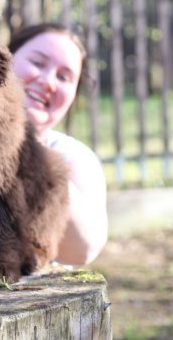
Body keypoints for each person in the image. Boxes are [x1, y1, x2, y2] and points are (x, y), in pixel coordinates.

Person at [9, 23, 108, 266]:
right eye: (38, 63)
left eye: (64, 77)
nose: (48, 81)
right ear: (4, 58)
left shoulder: (74, 157)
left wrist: (37, 157)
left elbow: (83, 251)